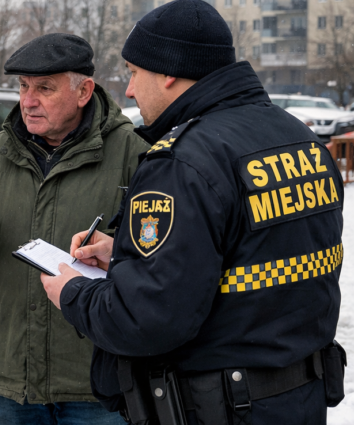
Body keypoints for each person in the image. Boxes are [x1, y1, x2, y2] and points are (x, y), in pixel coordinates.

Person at [40, 1, 345, 424]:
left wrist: (73, 292)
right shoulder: (300, 139)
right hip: (298, 399)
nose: (128, 90)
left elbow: (147, 319)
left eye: (133, 72)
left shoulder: (182, 161)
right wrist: (128, 253)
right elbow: (253, 254)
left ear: (168, 73)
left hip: (219, 407)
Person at [0, 33, 149, 424]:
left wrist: (116, 249)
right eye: (23, 87)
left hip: (95, 379)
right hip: (12, 374)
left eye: (44, 89)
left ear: (84, 91)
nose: (28, 101)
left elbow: (159, 261)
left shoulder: (133, 153)